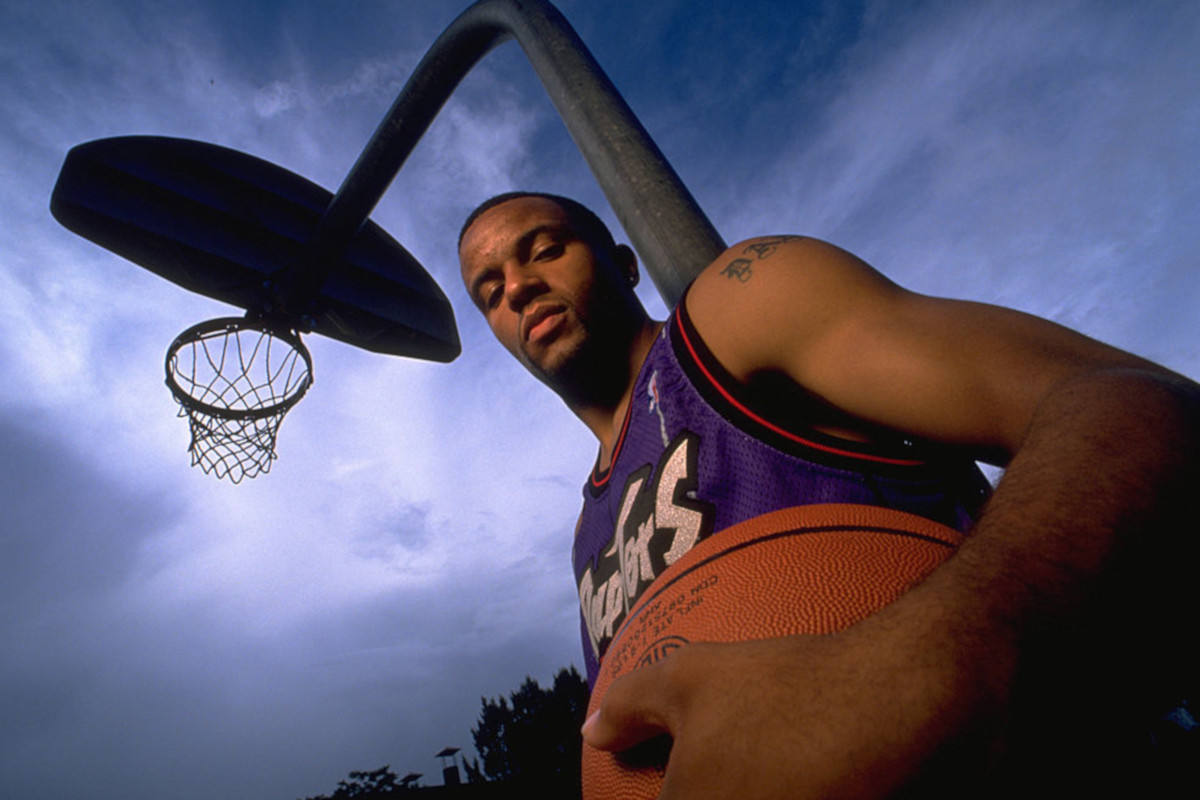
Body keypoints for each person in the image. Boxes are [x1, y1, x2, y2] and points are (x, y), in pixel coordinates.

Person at [457, 191, 1198, 798]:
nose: (518, 287)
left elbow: (1142, 403)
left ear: (622, 264)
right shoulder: (588, 538)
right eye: (490, 292)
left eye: (545, 249)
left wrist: (946, 654)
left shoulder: (736, 313)